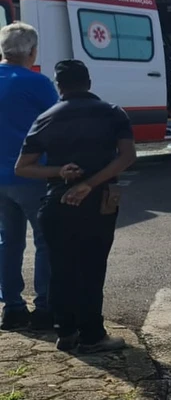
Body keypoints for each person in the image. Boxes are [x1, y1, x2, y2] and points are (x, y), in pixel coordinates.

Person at [15, 60, 136, 352]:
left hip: (57, 202)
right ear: (89, 82)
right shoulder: (113, 113)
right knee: (92, 269)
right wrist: (89, 184)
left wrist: (58, 171)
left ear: (59, 86)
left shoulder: (46, 117)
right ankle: (93, 335)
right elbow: (127, 156)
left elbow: (23, 167)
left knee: (61, 268)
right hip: (99, 202)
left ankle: (65, 332)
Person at [0, 23, 58, 330]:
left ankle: (12, 308)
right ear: (32, 51)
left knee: (9, 241)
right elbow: (58, 121)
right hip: (31, 175)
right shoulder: (38, 84)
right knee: (45, 241)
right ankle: (45, 307)